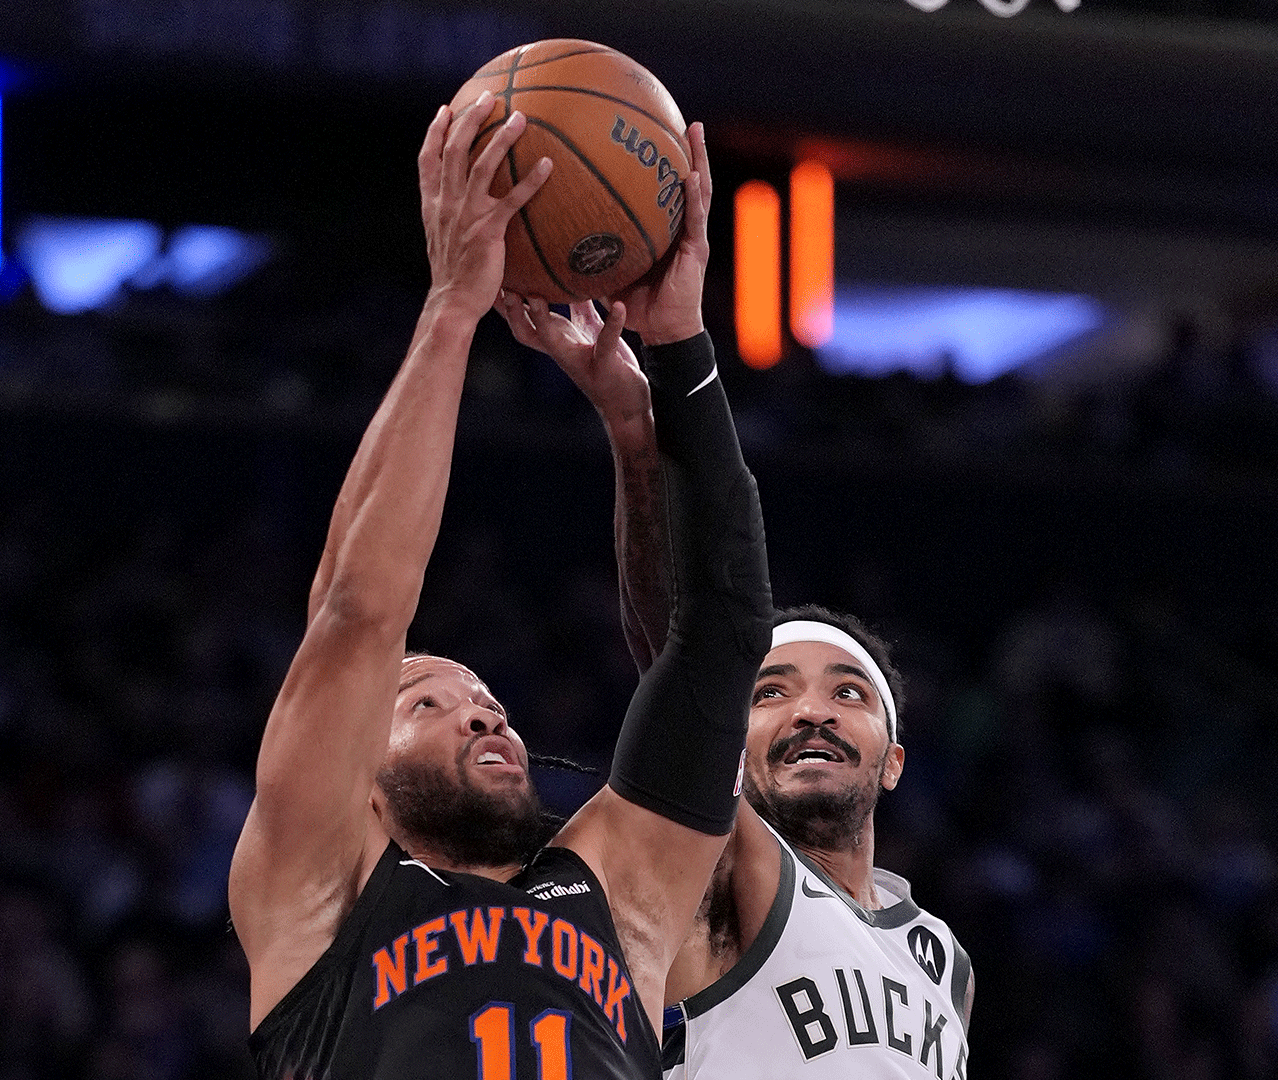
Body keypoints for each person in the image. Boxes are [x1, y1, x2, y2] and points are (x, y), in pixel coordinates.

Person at [227, 93, 772, 1080]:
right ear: (365, 780)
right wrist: (451, 313)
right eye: (427, 700)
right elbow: (359, 613)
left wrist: (674, 359)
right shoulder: (321, 888)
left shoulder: (617, 891)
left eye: (484, 703)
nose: (483, 718)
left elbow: (723, 640)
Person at [503, 341, 972, 1080]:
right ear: (728, 736)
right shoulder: (726, 871)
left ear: (894, 761)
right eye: (770, 691)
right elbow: (685, 660)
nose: (811, 711)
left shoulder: (943, 956)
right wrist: (640, 435)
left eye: (847, 692)